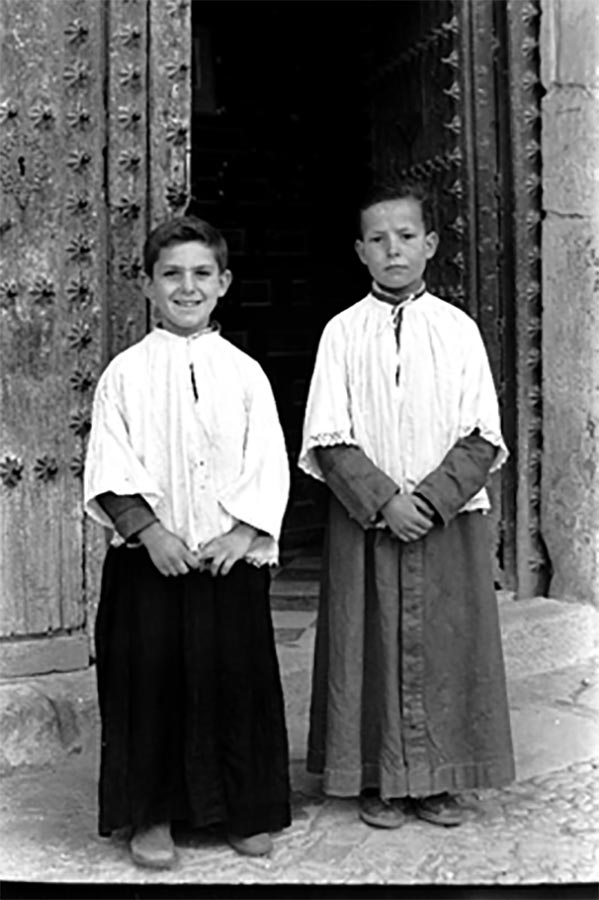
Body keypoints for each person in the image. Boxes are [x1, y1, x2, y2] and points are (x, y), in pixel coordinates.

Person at [298, 178, 515, 830]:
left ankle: (438, 780)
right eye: (377, 239)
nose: (392, 249)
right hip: (368, 520)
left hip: (444, 521)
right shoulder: (341, 333)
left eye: (405, 236)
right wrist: (384, 500)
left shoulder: (457, 330)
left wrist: (429, 499)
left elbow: (482, 432)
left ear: (431, 244)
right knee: (366, 643)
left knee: (446, 642)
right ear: (360, 251)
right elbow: (327, 434)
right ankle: (377, 777)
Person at [84, 216, 291, 868]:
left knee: (235, 684)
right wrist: (149, 532)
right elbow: (108, 464)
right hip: (152, 564)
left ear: (223, 282)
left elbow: (268, 461)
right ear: (148, 285)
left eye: (202, 273)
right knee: (150, 688)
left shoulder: (246, 373)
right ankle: (151, 816)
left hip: (227, 562)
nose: (187, 287)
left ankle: (241, 810)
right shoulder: (124, 374)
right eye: (171, 274)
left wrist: (243, 531)